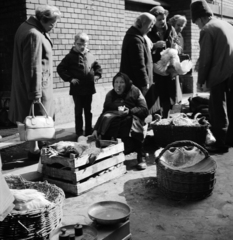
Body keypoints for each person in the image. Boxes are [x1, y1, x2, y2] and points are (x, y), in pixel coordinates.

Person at [9, 5, 61, 161]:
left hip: (32, 84)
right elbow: (33, 67)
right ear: (43, 20)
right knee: (35, 120)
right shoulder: (34, 34)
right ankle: (34, 152)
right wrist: (35, 94)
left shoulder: (27, 27)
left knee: (34, 120)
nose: (53, 27)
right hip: (37, 86)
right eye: (52, 23)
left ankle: (37, 148)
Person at [190, 0, 233, 153]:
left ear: (201, 18)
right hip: (231, 71)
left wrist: (200, 81)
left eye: (196, 23)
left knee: (217, 109)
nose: (197, 26)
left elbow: (205, 59)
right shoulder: (227, 25)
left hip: (219, 73)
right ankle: (230, 139)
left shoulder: (207, 29)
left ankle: (221, 143)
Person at [92, 72, 149, 170]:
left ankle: (141, 156)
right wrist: (96, 128)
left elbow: (144, 110)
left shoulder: (135, 91)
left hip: (133, 117)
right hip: (116, 118)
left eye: (122, 82)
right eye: (116, 82)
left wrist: (130, 111)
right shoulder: (110, 94)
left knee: (132, 124)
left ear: (126, 83)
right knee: (106, 124)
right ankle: (110, 155)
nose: (118, 85)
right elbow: (104, 112)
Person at [57, 32, 102, 137]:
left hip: (89, 88)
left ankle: (89, 131)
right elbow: (60, 68)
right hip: (77, 89)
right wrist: (70, 79)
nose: (82, 47)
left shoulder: (90, 55)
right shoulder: (70, 56)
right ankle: (79, 132)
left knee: (88, 111)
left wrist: (97, 75)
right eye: (79, 44)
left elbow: (97, 67)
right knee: (78, 112)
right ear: (74, 43)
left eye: (85, 44)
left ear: (87, 44)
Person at [147, 6, 182, 118]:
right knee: (156, 94)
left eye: (164, 18)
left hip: (169, 67)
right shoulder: (148, 31)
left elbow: (179, 47)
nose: (162, 22)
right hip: (155, 69)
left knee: (169, 94)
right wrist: (154, 46)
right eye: (159, 19)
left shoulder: (171, 29)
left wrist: (176, 47)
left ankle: (165, 118)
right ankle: (156, 119)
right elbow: (143, 49)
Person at [120, 13, 156, 96]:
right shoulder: (135, 40)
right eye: (150, 26)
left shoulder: (135, 36)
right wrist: (144, 83)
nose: (150, 30)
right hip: (136, 84)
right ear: (142, 24)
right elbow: (138, 64)